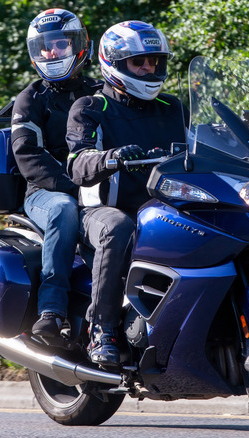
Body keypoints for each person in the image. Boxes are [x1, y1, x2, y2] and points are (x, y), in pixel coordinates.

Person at [66, 21, 188, 366]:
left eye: (154, 61)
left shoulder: (173, 107)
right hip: (102, 210)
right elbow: (77, 163)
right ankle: (102, 330)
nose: (149, 68)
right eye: (139, 62)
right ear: (114, 63)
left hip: (165, 206)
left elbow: (206, 145)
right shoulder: (91, 108)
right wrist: (111, 158)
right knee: (118, 228)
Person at [11, 8, 102, 339]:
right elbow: (28, 155)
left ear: (78, 45)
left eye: (60, 45)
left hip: (103, 185)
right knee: (64, 210)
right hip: (46, 193)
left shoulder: (102, 91)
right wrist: (78, 188)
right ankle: (52, 310)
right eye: (45, 47)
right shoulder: (31, 98)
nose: (52, 53)